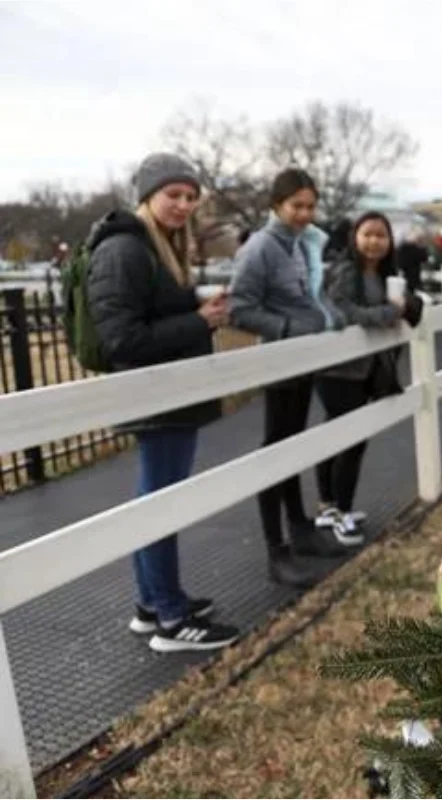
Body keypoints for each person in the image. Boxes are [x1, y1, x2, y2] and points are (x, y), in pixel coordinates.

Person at [86, 153, 240, 652]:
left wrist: (197, 311)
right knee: (161, 506)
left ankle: (154, 603)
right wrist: (200, 322)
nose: (183, 204)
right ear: (148, 195)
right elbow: (122, 340)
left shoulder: (156, 247)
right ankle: (172, 622)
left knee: (155, 501)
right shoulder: (125, 251)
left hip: (170, 396)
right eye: (174, 194)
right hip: (157, 398)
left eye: (191, 197)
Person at [228, 168, 350, 590]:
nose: (304, 213)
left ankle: (300, 528)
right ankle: (276, 549)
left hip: (303, 363)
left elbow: (308, 299)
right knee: (275, 449)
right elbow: (239, 309)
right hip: (278, 363)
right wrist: (290, 329)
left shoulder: (298, 246)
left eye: (310, 205)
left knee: (296, 444)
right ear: (276, 205)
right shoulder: (260, 248)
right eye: (297, 205)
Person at [314, 212, 424, 535]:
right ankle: (339, 511)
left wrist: (407, 304)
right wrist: (390, 312)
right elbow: (344, 312)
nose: (374, 241)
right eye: (367, 234)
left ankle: (329, 506)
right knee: (349, 441)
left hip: (364, 369)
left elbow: (404, 302)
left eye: (381, 235)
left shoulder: (386, 273)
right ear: (355, 237)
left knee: (340, 437)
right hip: (338, 371)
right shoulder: (347, 270)